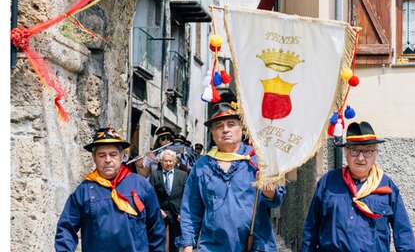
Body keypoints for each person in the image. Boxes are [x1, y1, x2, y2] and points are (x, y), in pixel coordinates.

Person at [178, 101, 286, 252]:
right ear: (213, 134)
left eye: (231, 124)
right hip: (213, 246)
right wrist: (188, 243)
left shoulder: (259, 159)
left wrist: (270, 193)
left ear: (241, 128)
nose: (225, 130)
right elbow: (190, 208)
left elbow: (277, 200)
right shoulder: (202, 165)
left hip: (257, 245)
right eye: (219, 126)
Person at [301, 121, 415, 252]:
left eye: (367, 151)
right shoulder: (328, 183)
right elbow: (311, 229)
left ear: (375, 154)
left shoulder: (386, 186)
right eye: (354, 150)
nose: (361, 158)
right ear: (345, 152)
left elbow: (404, 234)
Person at [55, 127, 165, 251]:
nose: (107, 160)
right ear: (94, 157)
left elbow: (156, 228)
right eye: (102, 155)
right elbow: (66, 228)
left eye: (113, 154)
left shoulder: (141, 185)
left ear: (122, 156)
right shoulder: (84, 191)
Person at [150, 149, 187, 252]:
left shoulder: (182, 175)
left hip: (176, 213)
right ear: (161, 162)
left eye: (170, 161)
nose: (168, 163)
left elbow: (186, 195)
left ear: (174, 162)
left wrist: (182, 212)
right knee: (158, 239)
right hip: (161, 212)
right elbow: (151, 195)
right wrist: (158, 210)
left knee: (174, 242)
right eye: (165, 161)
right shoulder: (155, 175)